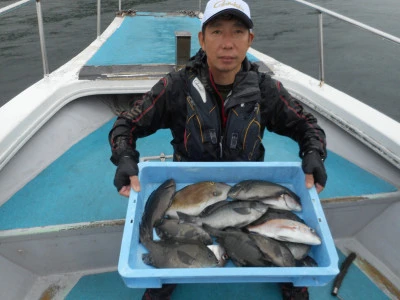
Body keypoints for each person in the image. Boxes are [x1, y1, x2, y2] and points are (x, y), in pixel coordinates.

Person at [109, 0, 327, 299]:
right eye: (217, 32)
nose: (227, 43)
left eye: (237, 32)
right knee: (166, 243)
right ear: (202, 38)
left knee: (282, 246)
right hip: (188, 190)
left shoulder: (265, 90)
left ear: (250, 39)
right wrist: (124, 159)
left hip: (247, 192)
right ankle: (166, 271)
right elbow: (126, 124)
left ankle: (286, 273)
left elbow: (307, 126)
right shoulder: (177, 86)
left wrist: (313, 154)